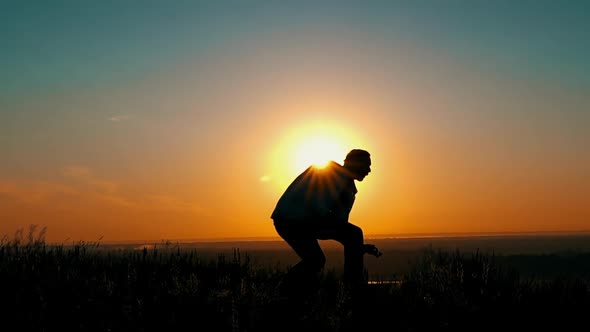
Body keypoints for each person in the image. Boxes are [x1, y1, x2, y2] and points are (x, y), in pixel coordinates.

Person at [270, 149, 382, 300]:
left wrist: (358, 247)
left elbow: (337, 222)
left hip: (297, 220)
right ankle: (352, 290)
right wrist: (355, 245)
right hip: (293, 221)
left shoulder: (344, 183)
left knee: (317, 259)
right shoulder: (333, 176)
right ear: (355, 163)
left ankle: (284, 290)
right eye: (366, 165)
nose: (369, 170)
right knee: (346, 239)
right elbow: (321, 210)